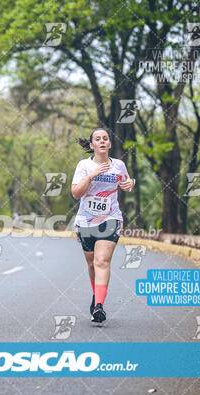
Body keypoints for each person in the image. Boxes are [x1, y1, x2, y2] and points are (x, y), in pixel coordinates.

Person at [71, 127, 135, 324]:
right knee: (91, 264)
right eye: (97, 139)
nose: (101, 141)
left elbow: (127, 182)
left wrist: (130, 183)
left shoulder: (119, 165)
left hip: (110, 219)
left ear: (109, 144)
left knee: (101, 261)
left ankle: (99, 306)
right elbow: (76, 193)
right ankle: (96, 296)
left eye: (105, 138)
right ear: (92, 145)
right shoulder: (84, 165)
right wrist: (92, 176)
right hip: (86, 221)